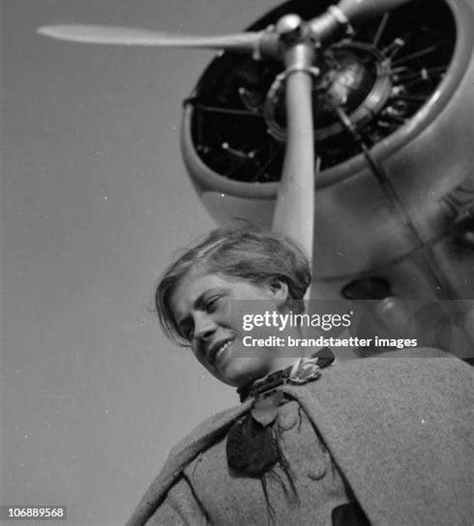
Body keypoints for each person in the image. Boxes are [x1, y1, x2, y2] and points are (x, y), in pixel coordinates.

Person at [127, 225, 473, 526]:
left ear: (276, 289)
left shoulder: (430, 379)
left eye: (212, 303)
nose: (200, 331)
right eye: (187, 329)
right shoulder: (194, 476)